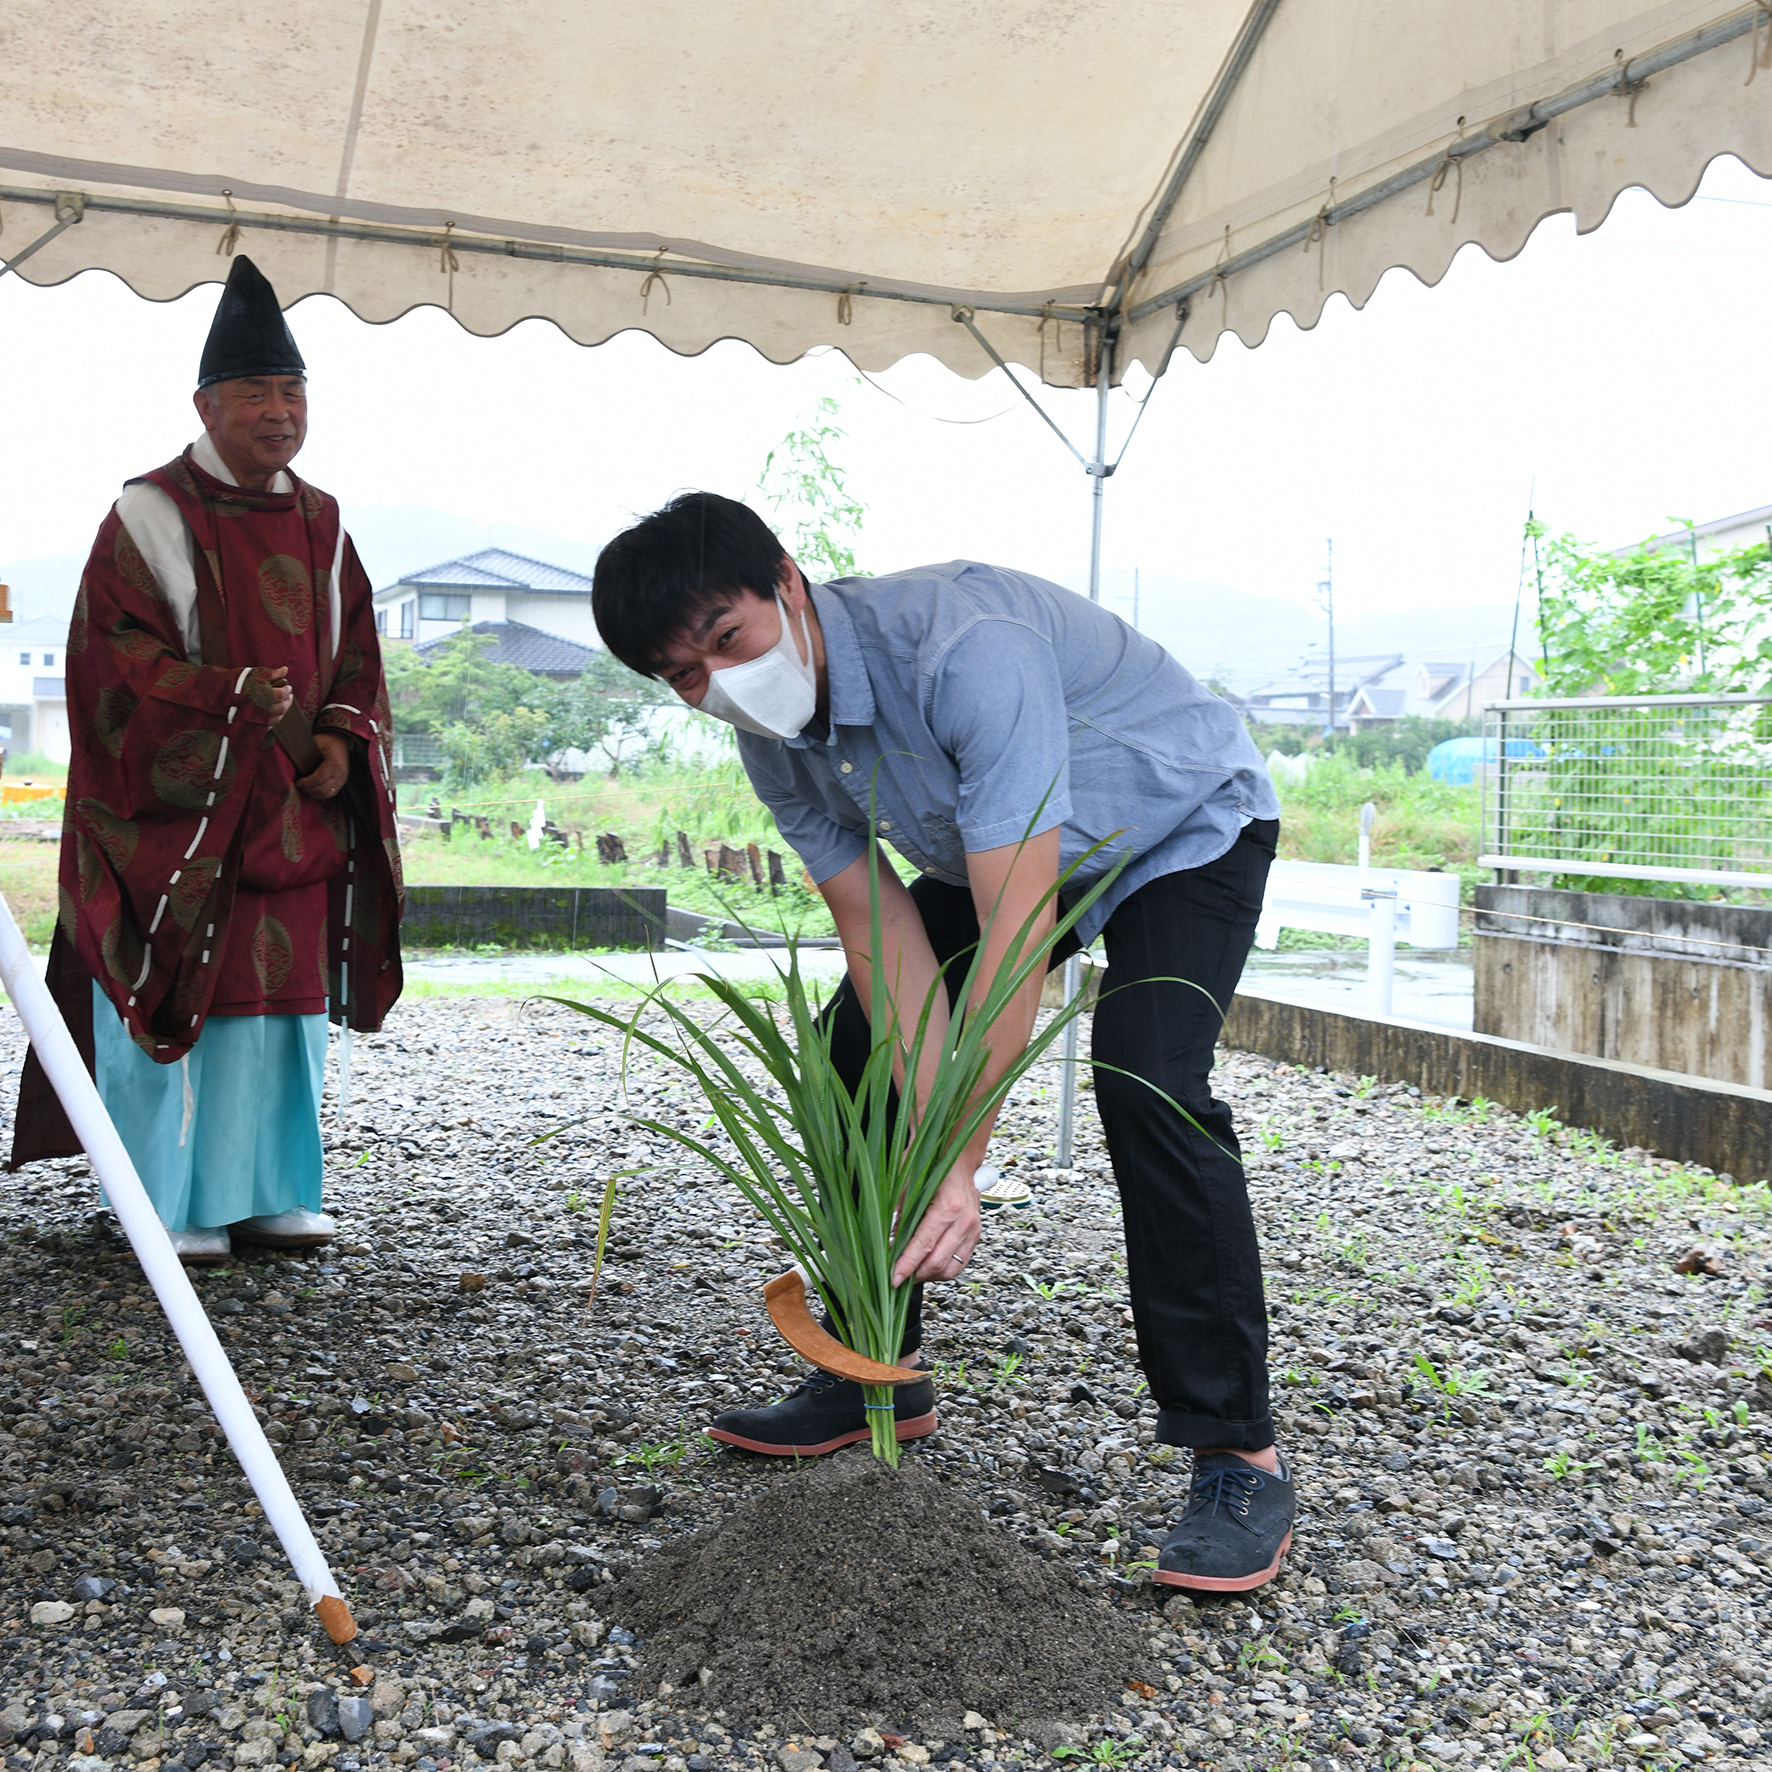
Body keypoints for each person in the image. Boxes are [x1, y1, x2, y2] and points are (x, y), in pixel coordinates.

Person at [591, 493, 1292, 1594]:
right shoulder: (774, 744)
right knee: (850, 1051)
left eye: (727, 640)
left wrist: (959, 1162)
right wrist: (922, 1131)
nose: (718, 684)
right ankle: (880, 1367)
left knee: (1146, 1075)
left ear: (787, 578)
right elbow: (879, 931)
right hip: (1006, 854)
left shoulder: (961, 649)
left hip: (1177, 827)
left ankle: (1235, 1452)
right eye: (683, 676)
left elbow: (1021, 935)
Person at [8, 255, 403, 1265]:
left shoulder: (325, 521)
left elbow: (356, 650)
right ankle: (163, 1198)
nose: (280, 413)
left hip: (289, 816)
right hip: (180, 818)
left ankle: (274, 1189)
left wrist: (336, 741)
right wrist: (227, 700)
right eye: (258, 393)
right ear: (206, 403)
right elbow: (111, 661)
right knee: (179, 998)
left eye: (293, 392)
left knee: (280, 1016)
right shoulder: (147, 512)